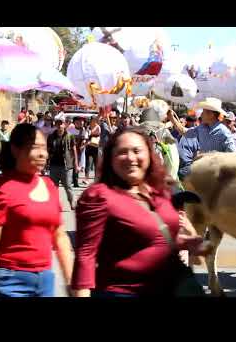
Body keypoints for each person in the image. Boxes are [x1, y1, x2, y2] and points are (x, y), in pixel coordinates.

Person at [70, 127, 210, 297]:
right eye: (122, 152)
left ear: (149, 155)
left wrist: (185, 242)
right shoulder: (99, 196)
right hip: (121, 291)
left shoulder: (159, 191)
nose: (130, 158)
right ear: (111, 159)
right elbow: (85, 255)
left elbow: (150, 237)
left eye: (137, 151)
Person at [0, 123, 73, 297]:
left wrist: (71, 282)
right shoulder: (2, 187)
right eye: (34, 147)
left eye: (44, 148)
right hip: (10, 281)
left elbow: (60, 237)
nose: (42, 154)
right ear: (16, 150)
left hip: (45, 280)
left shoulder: (49, 186)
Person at [168, 98, 236, 154]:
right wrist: (171, 117)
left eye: (203, 112)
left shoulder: (223, 132)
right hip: (204, 168)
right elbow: (184, 132)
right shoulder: (201, 128)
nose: (201, 115)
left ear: (211, 114)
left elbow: (232, 154)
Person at [47, 120, 78, 210]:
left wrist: (76, 163)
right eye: (57, 124)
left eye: (61, 124)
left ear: (64, 125)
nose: (59, 125)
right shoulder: (51, 136)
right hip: (54, 165)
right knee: (54, 187)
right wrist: (46, 162)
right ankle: (56, 204)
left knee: (68, 186)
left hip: (67, 166)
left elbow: (74, 149)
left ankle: (72, 202)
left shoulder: (70, 135)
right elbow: (48, 150)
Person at [85, 116, 101, 182]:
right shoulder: (88, 127)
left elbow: (98, 135)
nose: (94, 121)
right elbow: (86, 135)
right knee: (87, 163)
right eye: (93, 120)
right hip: (88, 146)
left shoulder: (98, 127)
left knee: (96, 163)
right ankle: (86, 178)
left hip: (95, 146)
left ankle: (96, 178)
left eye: (95, 120)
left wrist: (91, 136)